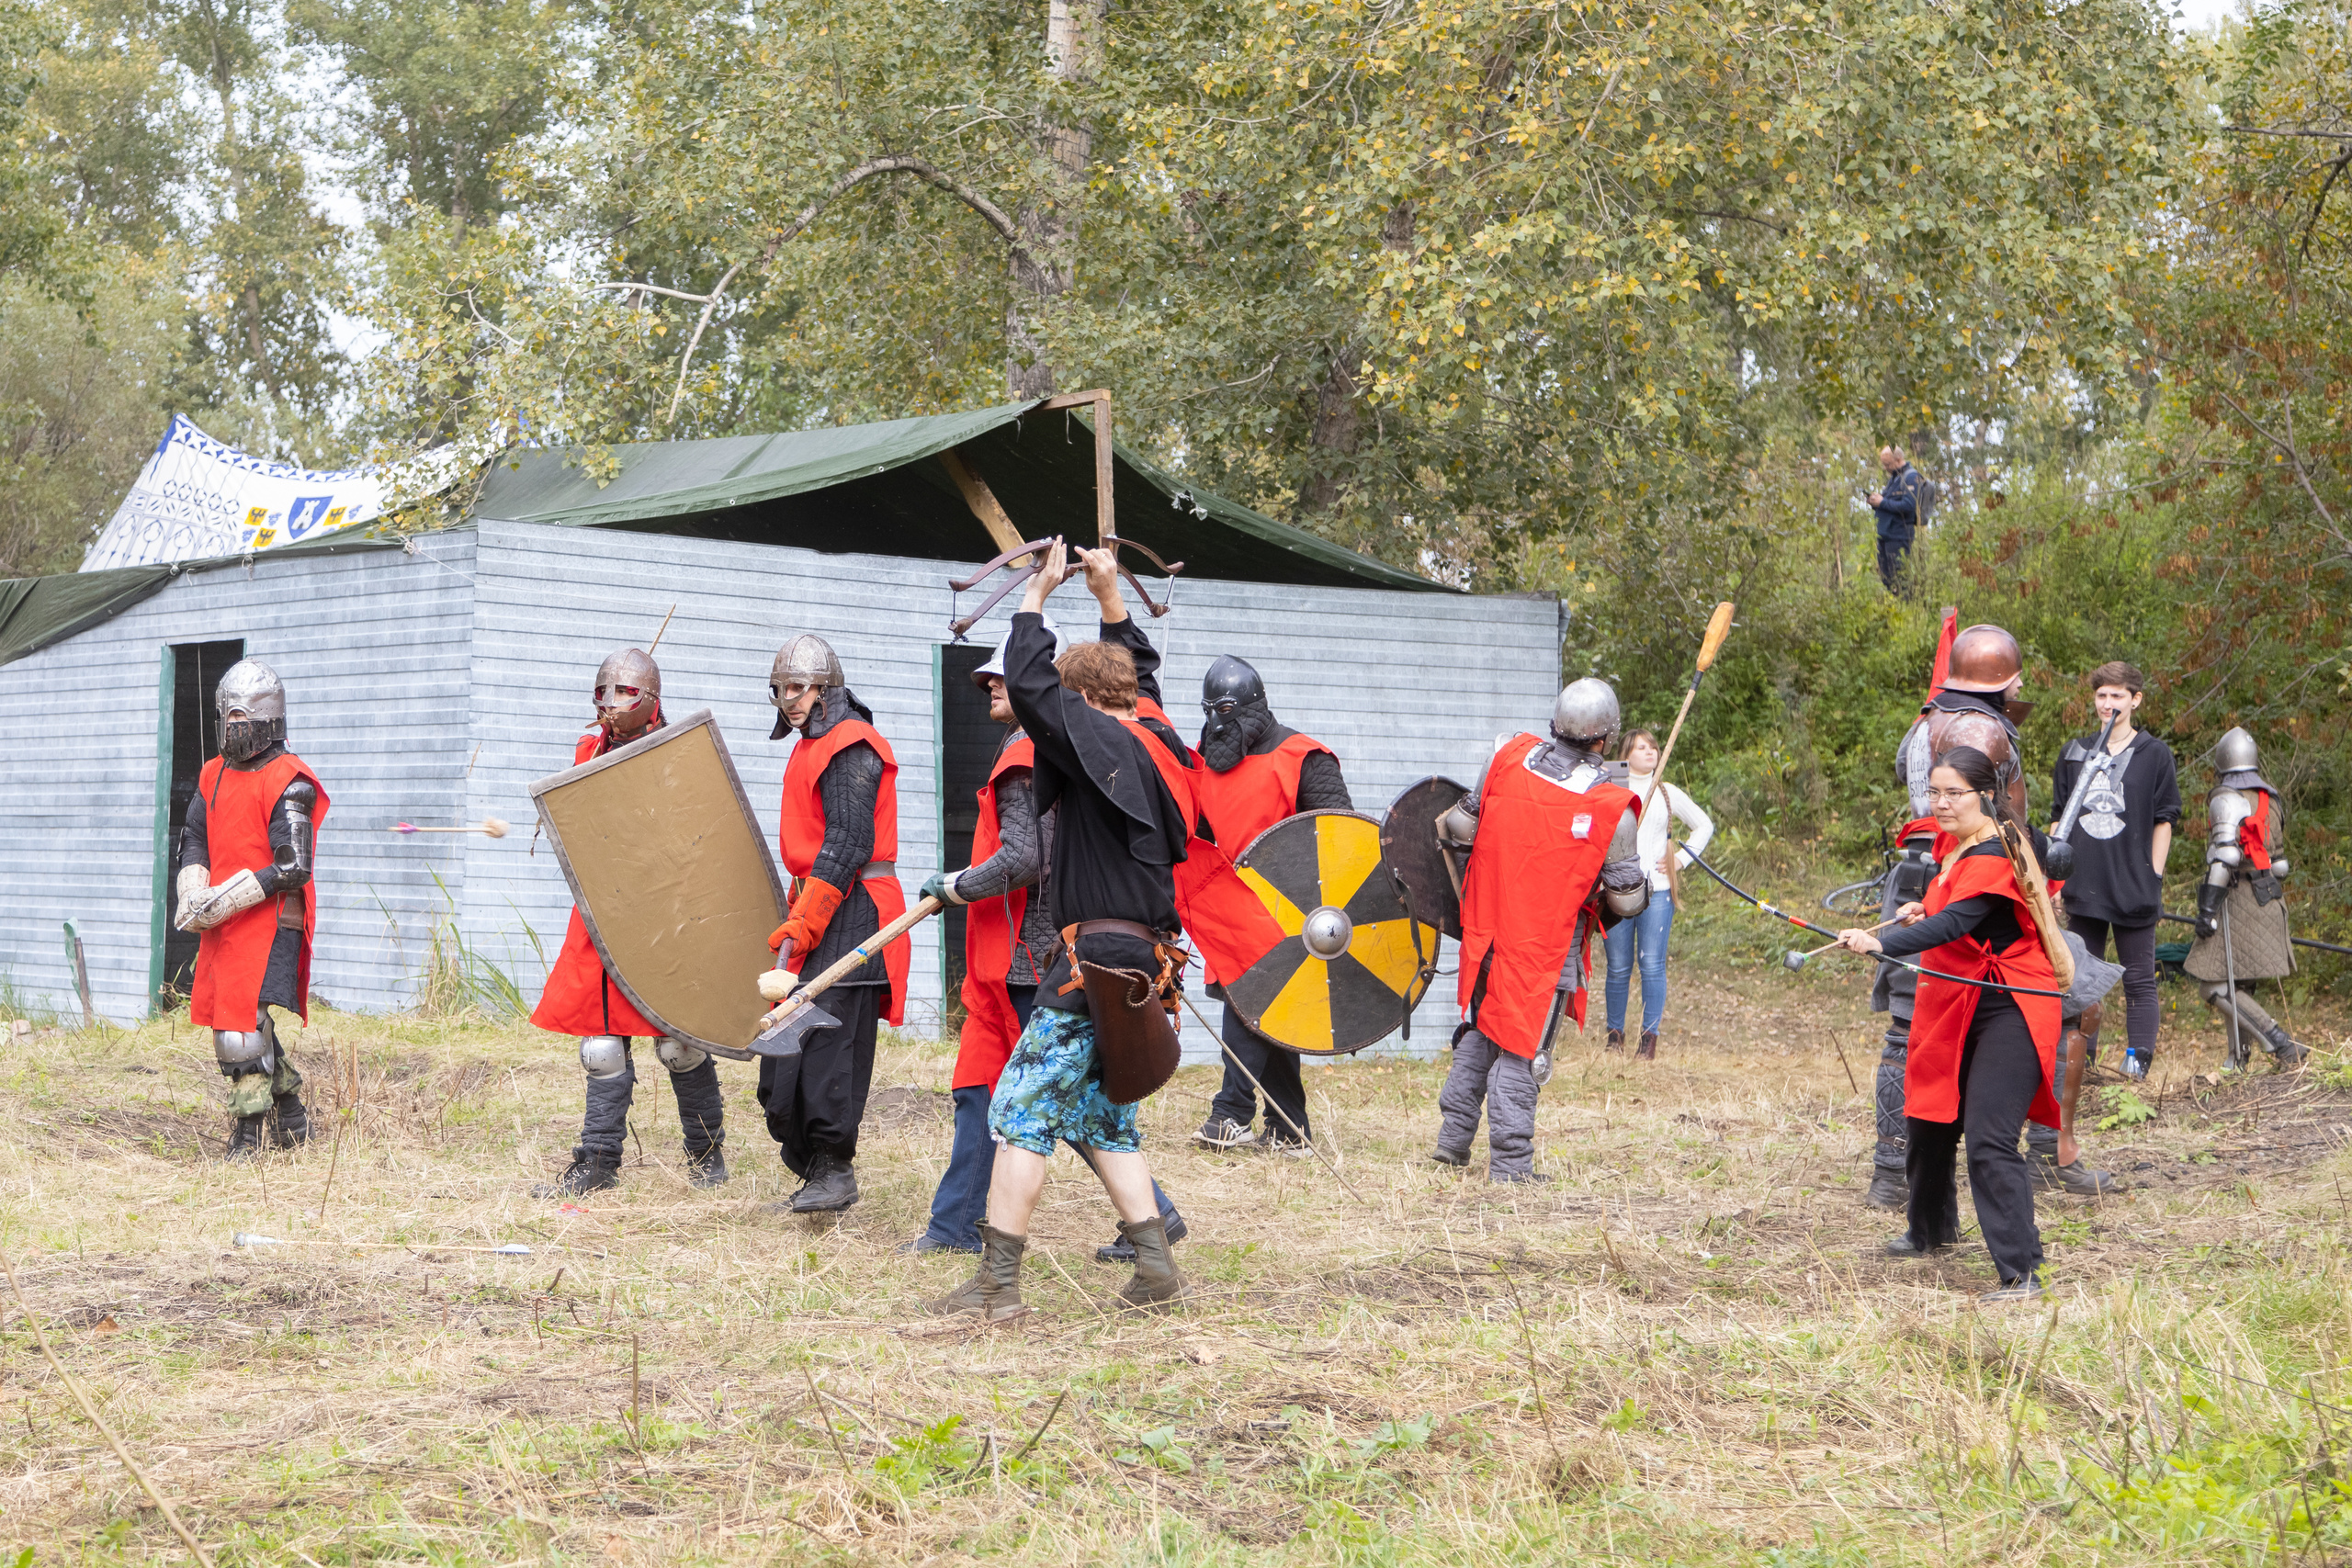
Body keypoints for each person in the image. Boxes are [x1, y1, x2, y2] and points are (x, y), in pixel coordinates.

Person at [928, 538, 1193, 1320]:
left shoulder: (1104, 743)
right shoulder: (1158, 741)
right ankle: (1154, 1266)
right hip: (1135, 956)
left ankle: (996, 1286)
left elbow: (1040, 688)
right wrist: (1112, 599)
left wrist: (1036, 596)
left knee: (1017, 1113)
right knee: (1099, 1115)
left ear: (1085, 712)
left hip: (1094, 961)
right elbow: (1136, 678)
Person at [1836, 745, 2065, 1303]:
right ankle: (1930, 1229)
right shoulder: (1959, 844)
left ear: (1985, 794)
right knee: (1929, 1114)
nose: (1940, 803)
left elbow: (1959, 922)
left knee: (1988, 1137)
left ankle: (2022, 1274)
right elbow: (1955, 910)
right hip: (1961, 998)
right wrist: (1924, 909)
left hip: (2011, 1001)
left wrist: (1880, 941)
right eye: (1934, 792)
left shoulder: (1992, 851)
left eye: (1953, 793)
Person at [1430, 679, 1647, 1181]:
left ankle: (1452, 1141)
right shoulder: (1609, 807)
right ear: (1607, 739)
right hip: (1545, 946)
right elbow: (1627, 902)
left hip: (1490, 930)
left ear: (1556, 723)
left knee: (1483, 1031)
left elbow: (1459, 828)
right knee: (1524, 1046)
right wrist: (1632, 870)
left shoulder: (1506, 756)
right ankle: (1510, 1165)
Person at [529, 649, 728, 1197]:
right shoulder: (588, 750)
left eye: (624, 694)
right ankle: (598, 1160)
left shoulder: (680, 754)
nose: (611, 705)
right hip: (603, 908)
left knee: (680, 1044)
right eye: (605, 693)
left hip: (666, 912)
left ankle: (707, 1154)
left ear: (651, 701)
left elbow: (699, 841)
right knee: (601, 1048)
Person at [1868, 622, 2030, 1209]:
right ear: (1999, 681)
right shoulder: (1984, 730)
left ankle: (1894, 1172)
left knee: (1907, 1028)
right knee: (1963, 1019)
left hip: (1921, 869)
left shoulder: (1925, 721)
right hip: (1960, 875)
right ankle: (1913, 1169)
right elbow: (1997, 814)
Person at [757, 634, 910, 1213]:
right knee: (787, 1044)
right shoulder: (808, 746)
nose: (788, 701)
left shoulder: (853, 743)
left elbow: (849, 841)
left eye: (797, 688)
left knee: (828, 1043)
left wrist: (810, 918)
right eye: (780, 691)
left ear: (827, 688)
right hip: (818, 900)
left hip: (856, 908)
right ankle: (813, 1170)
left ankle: (835, 1170)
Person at [1191, 654, 1353, 1151]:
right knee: (1268, 1012)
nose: (1220, 725)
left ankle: (1231, 1114)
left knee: (1254, 1003)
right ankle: (1290, 1126)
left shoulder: (1305, 757)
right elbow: (1197, 834)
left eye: (1228, 712)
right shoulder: (1203, 758)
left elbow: (1338, 841)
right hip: (1227, 904)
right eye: (1211, 713)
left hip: (1293, 915)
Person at [175, 659, 327, 1158]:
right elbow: (195, 835)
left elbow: (293, 866)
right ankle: (291, 1114)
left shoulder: (291, 780)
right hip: (224, 919)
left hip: (269, 918)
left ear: (266, 721)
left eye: (242, 720)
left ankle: (248, 1136)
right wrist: (193, 888)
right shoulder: (213, 773)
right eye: (228, 720)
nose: (233, 730)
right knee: (241, 1018)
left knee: (240, 1031)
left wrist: (229, 896)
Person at [2048, 660, 2180, 1081]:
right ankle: (2081, 1072)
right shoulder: (2074, 753)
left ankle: (2135, 1071)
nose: (2108, 704)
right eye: (2102, 695)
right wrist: (2053, 875)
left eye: (2117, 696)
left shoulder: (2154, 755)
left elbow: (2165, 818)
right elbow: (2059, 818)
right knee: (2082, 981)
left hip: (2132, 882)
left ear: (2135, 700)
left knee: (2139, 980)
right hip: (2083, 881)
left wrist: (2153, 874)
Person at [2184, 728, 2308, 1070]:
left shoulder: (2225, 798)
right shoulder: (2269, 798)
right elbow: (2280, 864)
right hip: (2268, 897)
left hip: (2238, 900)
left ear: (2222, 761)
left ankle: (2281, 1044)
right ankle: (2237, 1060)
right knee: (2239, 983)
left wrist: (2207, 907)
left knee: (2214, 985)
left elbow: (2225, 858)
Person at [1603, 728, 1712, 1060]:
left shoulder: (1666, 792)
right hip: (1618, 889)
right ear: (1626, 753)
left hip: (1657, 891)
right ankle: (1614, 1037)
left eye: (1653, 747)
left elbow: (1704, 825)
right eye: (1641, 747)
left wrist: (1679, 859)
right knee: (1619, 967)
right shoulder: (1611, 787)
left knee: (1651, 964)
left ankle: (1648, 1041)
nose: (1650, 752)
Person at [1868, 445, 1927, 592]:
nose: (1885, 467)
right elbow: (1890, 504)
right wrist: (1876, 502)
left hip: (1899, 536)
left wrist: (1882, 502)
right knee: (1887, 580)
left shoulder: (1912, 477)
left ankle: (1906, 609)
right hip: (1885, 536)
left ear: (1898, 459)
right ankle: (1893, 610)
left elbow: (1908, 505)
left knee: (1900, 579)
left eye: (1887, 464)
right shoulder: (1894, 479)